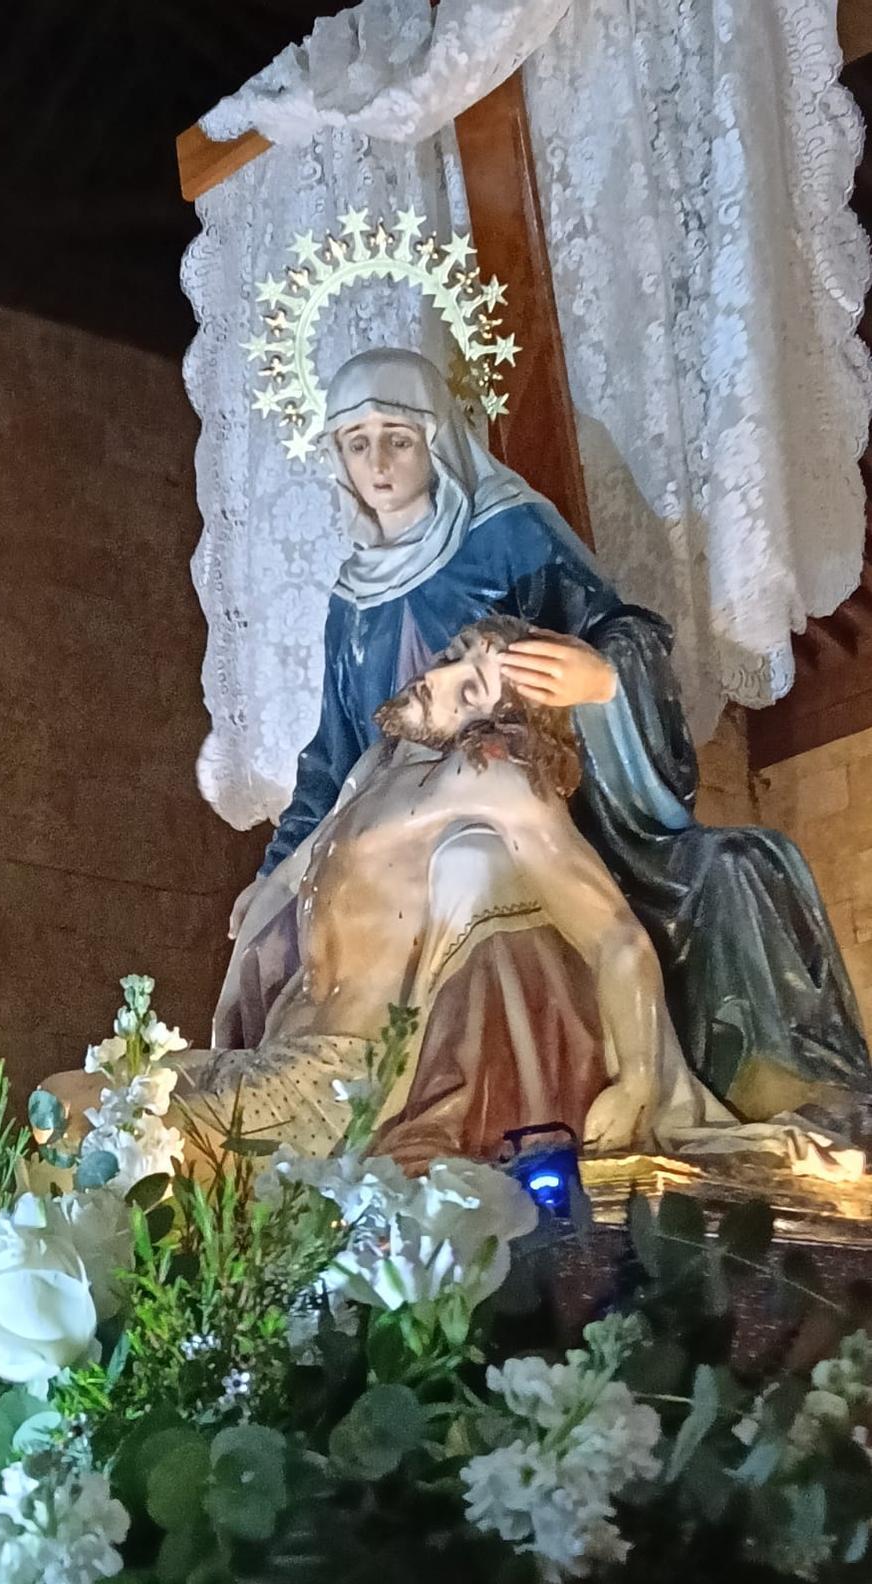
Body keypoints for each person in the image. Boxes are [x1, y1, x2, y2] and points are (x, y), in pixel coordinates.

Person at [224, 347, 870, 1132]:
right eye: (356, 444)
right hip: (390, 834)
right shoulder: (350, 603)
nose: (379, 463)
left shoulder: (507, 535)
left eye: (397, 437)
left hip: (554, 806)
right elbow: (331, 762)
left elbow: (615, 637)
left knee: (725, 869)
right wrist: (274, 871)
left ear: (436, 439)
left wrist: (598, 680)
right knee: (278, 930)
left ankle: (501, 1120)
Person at [190, 616, 727, 1165]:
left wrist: (638, 1078)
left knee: (117, 1128)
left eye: (471, 690)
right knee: (117, 1099)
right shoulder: (376, 767)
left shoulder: (488, 779)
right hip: (279, 1049)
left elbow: (616, 936)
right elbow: (300, 864)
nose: (438, 679)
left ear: (498, 727)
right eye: (452, 656)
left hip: (335, 1090)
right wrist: (268, 885)